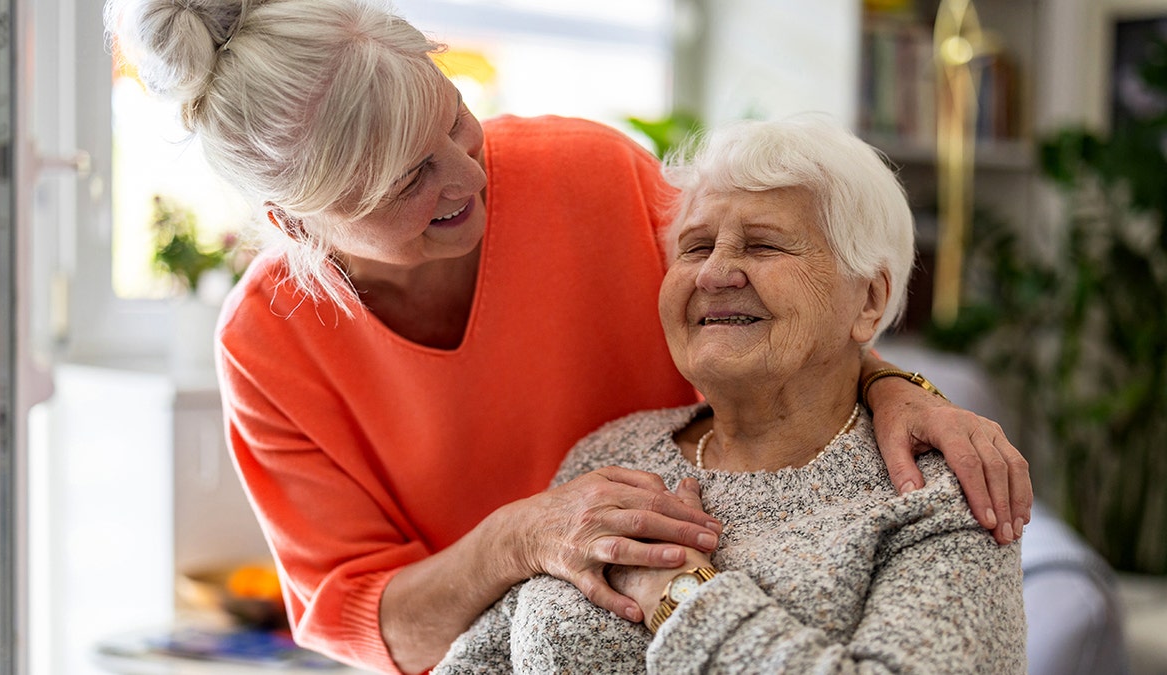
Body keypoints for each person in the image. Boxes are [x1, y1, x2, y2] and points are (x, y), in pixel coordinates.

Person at [104, 1, 1032, 672]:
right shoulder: (268, 346)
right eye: (406, 181)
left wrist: (892, 386)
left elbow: (771, 296)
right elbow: (361, 615)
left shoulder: (582, 174)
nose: (464, 172)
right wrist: (523, 538)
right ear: (301, 224)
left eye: (455, 122)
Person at [435, 115, 1027, 674]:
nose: (715, 274)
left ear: (868, 300)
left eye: (765, 245)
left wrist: (677, 592)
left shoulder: (942, 494)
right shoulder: (612, 454)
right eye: (695, 247)